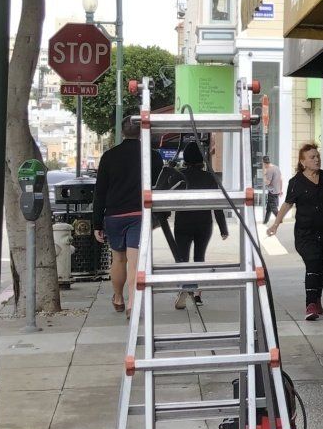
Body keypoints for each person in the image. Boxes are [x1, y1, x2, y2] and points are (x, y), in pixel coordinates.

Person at [92, 116, 170, 313]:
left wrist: (96, 224)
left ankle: (118, 298)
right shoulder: (152, 156)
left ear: (122, 132)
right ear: (142, 132)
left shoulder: (109, 156)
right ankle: (132, 304)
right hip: (139, 213)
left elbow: (100, 192)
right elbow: (159, 186)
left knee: (118, 259)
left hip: (114, 215)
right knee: (135, 261)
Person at [269, 141, 323, 320]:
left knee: (321, 267)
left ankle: (317, 300)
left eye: (317, 156)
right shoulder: (296, 182)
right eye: (312, 157)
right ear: (303, 162)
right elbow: (287, 204)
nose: (316, 159)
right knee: (312, 263)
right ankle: (310, 305)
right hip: (305, 233)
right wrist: (275, 224)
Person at [165, 141, 228, 309]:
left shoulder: (178, 175)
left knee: (183, 259)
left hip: (183, 222)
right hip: (203, 223)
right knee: (199, 257)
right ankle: (198, 294)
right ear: (202, 157)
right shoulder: (210, 177)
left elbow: (169, 199)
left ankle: (184, 287)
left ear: (185, 158)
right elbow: (217, 204)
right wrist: (223, 228)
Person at [260, 157, 282, 226]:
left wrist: (263, 175)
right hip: (276, 191)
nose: (263, 165)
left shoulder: (269, 170)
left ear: (264, 163)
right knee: (269, 208)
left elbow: (267, 183)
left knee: (273, 208)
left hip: (272, 192)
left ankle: (279, 219)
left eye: (263, 164)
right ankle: (265, 222)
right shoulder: (276, 168)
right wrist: (280, 190)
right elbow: (281, 179)